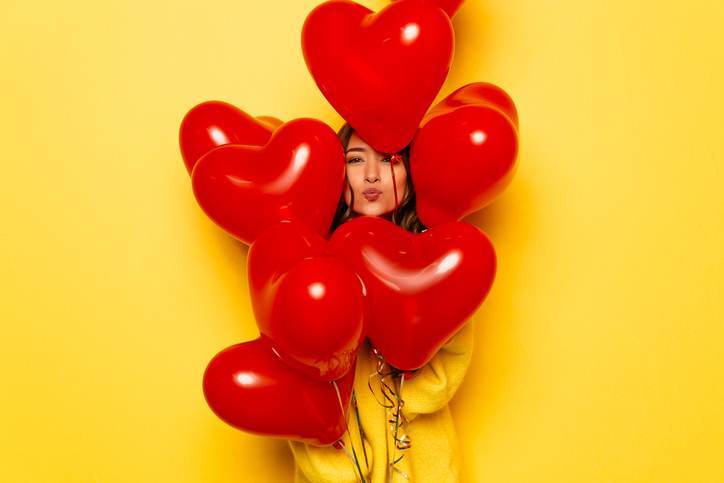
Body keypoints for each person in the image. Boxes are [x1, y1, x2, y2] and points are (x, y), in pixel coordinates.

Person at [288, 122, 475, 482]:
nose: (372, 175)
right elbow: (294, 381)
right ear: (337, 174)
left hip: (418, 451)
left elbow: (454, 353)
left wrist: (401, 408)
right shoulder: (309, 262)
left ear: (410, 175)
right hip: (336, 460)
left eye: (389, 160)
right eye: (356, 160)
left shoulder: (439, 262)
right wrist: (334, 469)